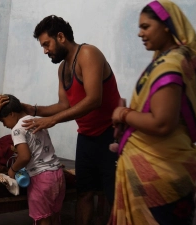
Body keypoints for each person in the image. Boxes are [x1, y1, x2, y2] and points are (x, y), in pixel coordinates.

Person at [110, 1, 196, 224]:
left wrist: (123, 114)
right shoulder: (164, 60)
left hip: (159, 176)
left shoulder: (170, 65)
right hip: (152, 169)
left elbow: (162, 123)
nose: (139, 33)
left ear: (166, 25)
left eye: (145, 27)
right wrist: (129, 124)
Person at [23, 15, 120, 225]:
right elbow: (64, 105)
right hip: (86, 137)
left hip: (110, 135)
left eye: (46, 44)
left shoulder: (88, 54)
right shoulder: (62, 68)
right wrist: (33, 109)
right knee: (84, 194)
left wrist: (54, 120)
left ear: (61, 37)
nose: (45, 50)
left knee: (113, 198)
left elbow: (94, 99)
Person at [0, 94, 65, 225]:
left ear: (11, 114)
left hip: (41, 179)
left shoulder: (17, 129)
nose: (5, 125)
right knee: (54, 215)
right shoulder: (37, 121)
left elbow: (24, 157)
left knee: (43, 219)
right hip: (58, 174)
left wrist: (12, 170)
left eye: (3, 121)